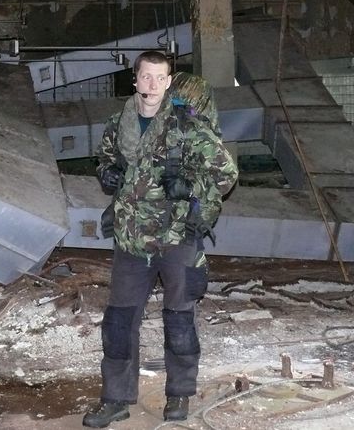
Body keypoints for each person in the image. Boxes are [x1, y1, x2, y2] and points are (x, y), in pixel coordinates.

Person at [82, 51, 238, 428]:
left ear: (169, 82)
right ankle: (115, 400)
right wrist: (107, 174)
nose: (151, 85)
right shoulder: (118, 122)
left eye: (159, 78)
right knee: (119, 322)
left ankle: (179, 395)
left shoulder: (187, 125)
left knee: (179, 319)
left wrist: (190, 186)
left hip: (175, 237)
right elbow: (102, 157)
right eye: (145, 77)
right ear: (134, 80)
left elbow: (225, 173)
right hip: (132, 240)